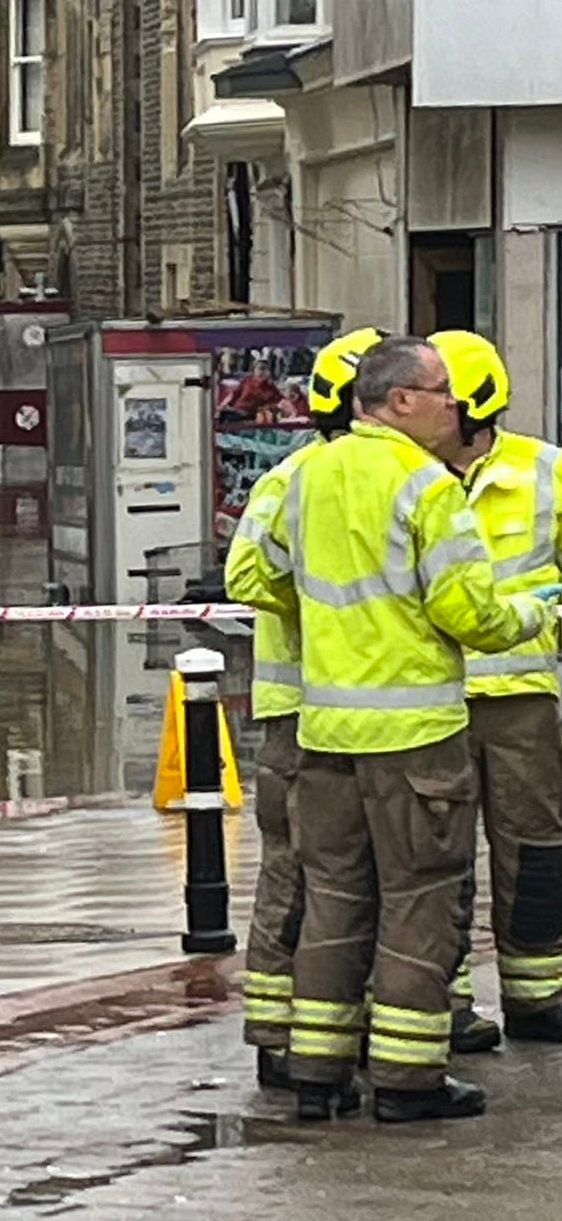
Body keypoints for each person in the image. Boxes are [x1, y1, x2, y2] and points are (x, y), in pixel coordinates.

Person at [231, 335, 554, 1124]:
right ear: (400, 399)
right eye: (441, 391)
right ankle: (409, 1081)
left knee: (336, 898)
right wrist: (535, 610)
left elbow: (255, 571)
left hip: (325, 731)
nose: (454, 405)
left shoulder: (304, 474)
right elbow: (465, 613)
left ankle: (315, 1071)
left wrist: (325, 611)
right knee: (418, 900)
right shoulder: (423, 484)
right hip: (413, 733)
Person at [226, 326, 383, 1091]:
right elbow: (248, 574)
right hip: (307, 712)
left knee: (317, 877)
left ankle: (306, 1035)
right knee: (310, 876)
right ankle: (290, 1037)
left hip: (324, 707)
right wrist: (326, 601)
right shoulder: (299, 478)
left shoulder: (298, 477)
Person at [431, 330, 562, 1045]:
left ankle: (537, 996)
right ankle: (442, 1003)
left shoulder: (546, 471)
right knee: (436, 856)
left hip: (520, 698)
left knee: (534, 848)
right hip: (429, 698)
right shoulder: (405, 476)